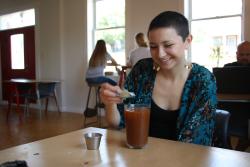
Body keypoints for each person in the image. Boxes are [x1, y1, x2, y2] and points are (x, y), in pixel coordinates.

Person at [99, 11, 217, 146]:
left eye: (168, 45)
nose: (160, 54)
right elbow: (117, 123)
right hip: (142, 156)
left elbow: (195, 142)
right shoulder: (142, 71)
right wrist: (110, 103)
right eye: (153, 46)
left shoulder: (203, 80)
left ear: (187, 41)